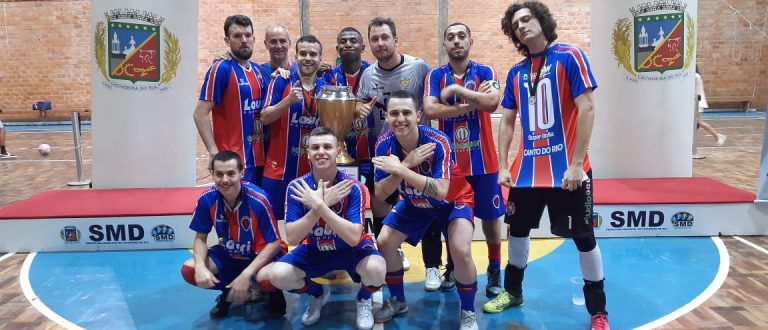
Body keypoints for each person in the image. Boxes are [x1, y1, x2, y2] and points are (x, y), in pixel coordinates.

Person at [483, 3, 610, 330]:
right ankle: (512, 293)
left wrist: (576, 163)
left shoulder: (570, 57)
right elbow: (508, 122)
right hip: (526, 173)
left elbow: (588, 109)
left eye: (527, 19)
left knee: (583, 236)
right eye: (516, 24)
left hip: (568, 172)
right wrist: (503, 166)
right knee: (519, 233)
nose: (522, 26)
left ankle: (598, 311)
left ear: (542, 21)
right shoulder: (515, 72)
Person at [371, 90, 478, 330]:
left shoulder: (438, 141)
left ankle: (469, 311)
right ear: (387, 117)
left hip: (453, 201)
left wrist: (402, 170)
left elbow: (440, 191)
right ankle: (398, 300)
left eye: (407, 113)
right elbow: (379, 193)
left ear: (418, 115)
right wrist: (407, 164)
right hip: (414, 203)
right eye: (394, 113)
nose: (401, 118)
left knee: (460, 250)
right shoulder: (383, 145)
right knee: (385, 241)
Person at [267, 127, 386, 330]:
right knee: (278, 275)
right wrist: (318, 207)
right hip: (315, 249)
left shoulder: (353, 186)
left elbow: (354, 238)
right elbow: (293, 237)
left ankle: (364, 299)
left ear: (338, 152)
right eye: (315, 147)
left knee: (377, 269)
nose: (321, 151)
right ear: (308, 153)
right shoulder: (297, 187)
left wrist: (320, 206)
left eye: (327, 147)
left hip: (350, 250)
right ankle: (317, 293)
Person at [356, 16, 444, 289]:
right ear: (369, 44)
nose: (380, 43)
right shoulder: (368, 74)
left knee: (426, 205)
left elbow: (433, 100)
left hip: (420, 150)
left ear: (396, 40)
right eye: (375, 39)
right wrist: (357, 108)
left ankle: (432, 266)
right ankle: (395, 250)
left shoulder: (418, 67)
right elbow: (360, 104)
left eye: (385, 37)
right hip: (385, 151)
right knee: (382, 202)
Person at [423, 22, 505, 298]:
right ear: (444, 44)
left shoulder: (485, 71)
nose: (456, 41)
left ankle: (495, 270)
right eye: (451, 37)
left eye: (461, 36)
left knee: (491, 220)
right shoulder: (436, 75)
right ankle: (452, 267)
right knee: (450, 219)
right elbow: (430, 108)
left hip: (484, 163)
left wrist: (458, 95)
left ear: (470, 41)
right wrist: (473, 103)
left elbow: (493, 102)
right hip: (451, 166)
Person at [180, 151, 287, 319]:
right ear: (212, 174)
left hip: (261, 255)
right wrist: (200, 266)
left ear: (241, 173)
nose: (224, 180)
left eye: (231, 173)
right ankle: (229, 290)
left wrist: (247, 274)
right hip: (230, 254)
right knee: (189, 270)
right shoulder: (206, 200)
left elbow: (274, 244)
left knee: (268, 280)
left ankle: (268, 290)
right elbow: (200, 238)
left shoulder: (258, 200)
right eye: (219, 174)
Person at [261, 34, 329, 220]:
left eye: (313, 54)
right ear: (296, 55)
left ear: (320, 58)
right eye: (303, 53)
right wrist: (288, 101)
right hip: (278, 172)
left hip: (312, 175)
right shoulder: (281, 80)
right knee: (276, 230)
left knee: (308, 230)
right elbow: (265, 118)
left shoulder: (326, 89)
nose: (308, 58)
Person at [194, 15, 268, 185]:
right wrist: (213, 152)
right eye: (237, 36)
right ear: (227, 41)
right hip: (232, 164)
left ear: (254, 39)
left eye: (248, 35)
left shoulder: (257, 70)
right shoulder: (220, 69)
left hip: (259, 161)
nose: (244, 40)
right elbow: (199, 114)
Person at [695, 68, 726, 149]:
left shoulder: (695, 76)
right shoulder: (695, 76)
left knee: (698, 122)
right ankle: (717, 136)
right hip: (694, 102)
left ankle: (718, 135)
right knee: (697, 123)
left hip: (696, 103)